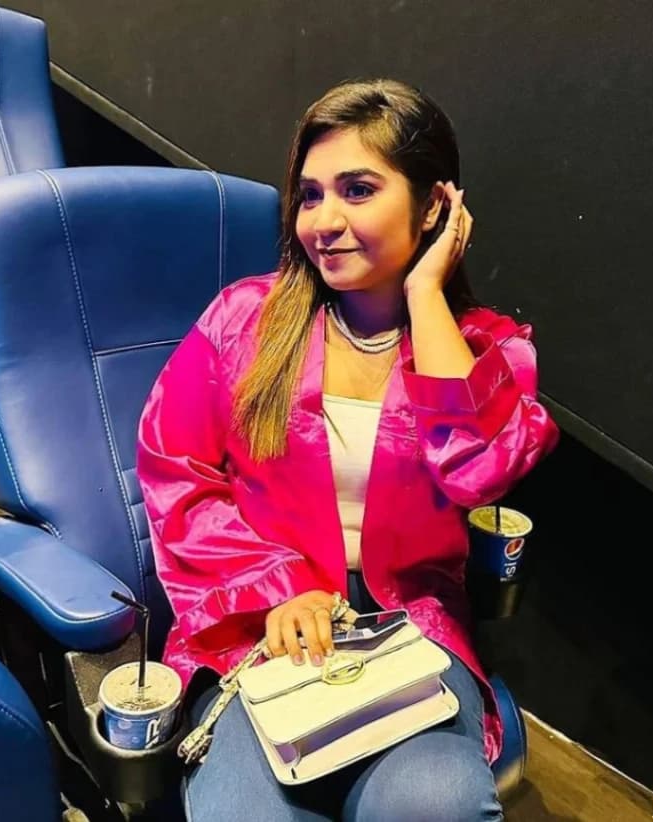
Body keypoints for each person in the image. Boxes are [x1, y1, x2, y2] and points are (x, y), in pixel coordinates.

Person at [137, 78, 559, 821]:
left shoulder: (487, 348)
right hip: (263, 616)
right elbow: (177, 473)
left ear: (433, 207)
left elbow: (479, 470)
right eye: (310, 196)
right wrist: (280, 586)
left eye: (358, 190)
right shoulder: (245, 320)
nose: (324, 222)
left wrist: (426, 294)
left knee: (434, 806)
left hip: (411, 622)